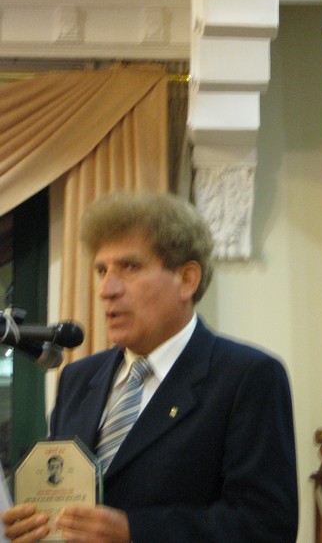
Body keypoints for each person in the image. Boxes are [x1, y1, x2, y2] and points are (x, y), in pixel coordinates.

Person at [3, 193, 298, 543]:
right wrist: (32, 524)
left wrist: (135, 532)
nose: (106, 289)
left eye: (130, 267)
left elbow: (266, 525)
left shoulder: (247, 376)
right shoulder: (78, 378)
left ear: (187, 279)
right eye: (101, 270)